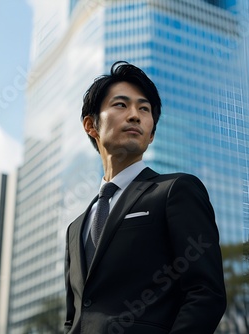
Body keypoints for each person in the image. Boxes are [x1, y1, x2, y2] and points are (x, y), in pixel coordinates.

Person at [64, 61, 226, 334]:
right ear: (91, 125)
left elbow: (205, 293)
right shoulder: (75, 228)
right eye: (120, 105)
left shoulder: (176, 190)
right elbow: (73, 316)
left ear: (151, 134)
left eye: (144, 109)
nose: (135, 115)